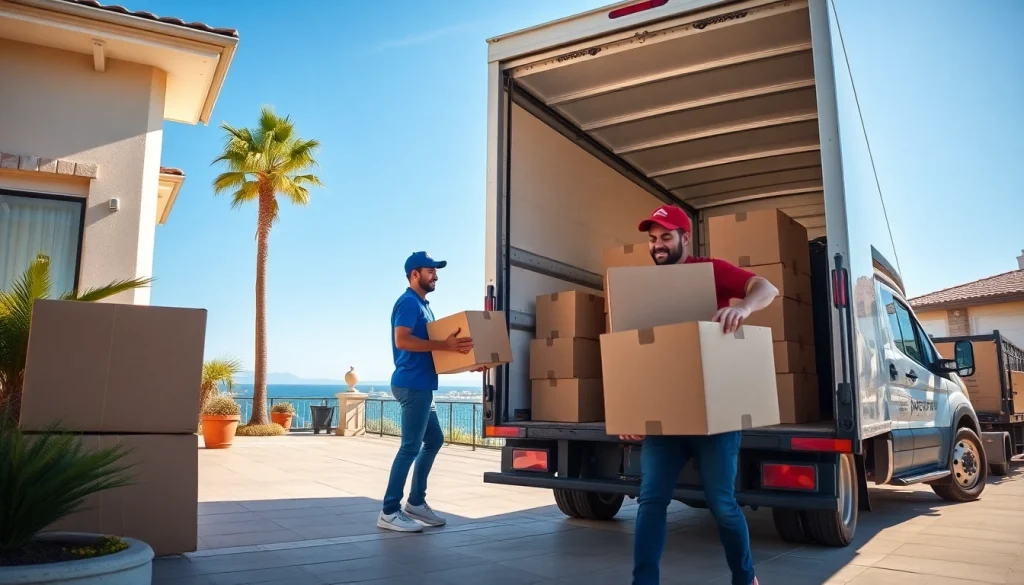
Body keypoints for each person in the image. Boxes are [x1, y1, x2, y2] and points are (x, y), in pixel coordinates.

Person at [626, 205, 780, 585]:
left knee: (723, 505)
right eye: (652, 239)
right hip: (665, 415)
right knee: (651, 502)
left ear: (684, 237)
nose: (657, 245)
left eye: (665, 237)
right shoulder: (643, 290)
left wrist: (743, 306)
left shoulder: (709, 270)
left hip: (715, 416)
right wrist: (630, 411)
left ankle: (745, 579)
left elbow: (767, 288)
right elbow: (630, 354)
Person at [377, 252, 474, 532]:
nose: (436, 276)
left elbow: (435, 353)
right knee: (410, 447)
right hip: (413, 384)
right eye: (430, 271)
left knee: (434, 440)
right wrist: (446, 346)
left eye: (436, 271)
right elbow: (403, 339)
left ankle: (416, 502)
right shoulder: (408, 302)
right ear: (414, 274)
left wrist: (470, 362)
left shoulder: (424, 306)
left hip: (423, 384)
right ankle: (389, 511)